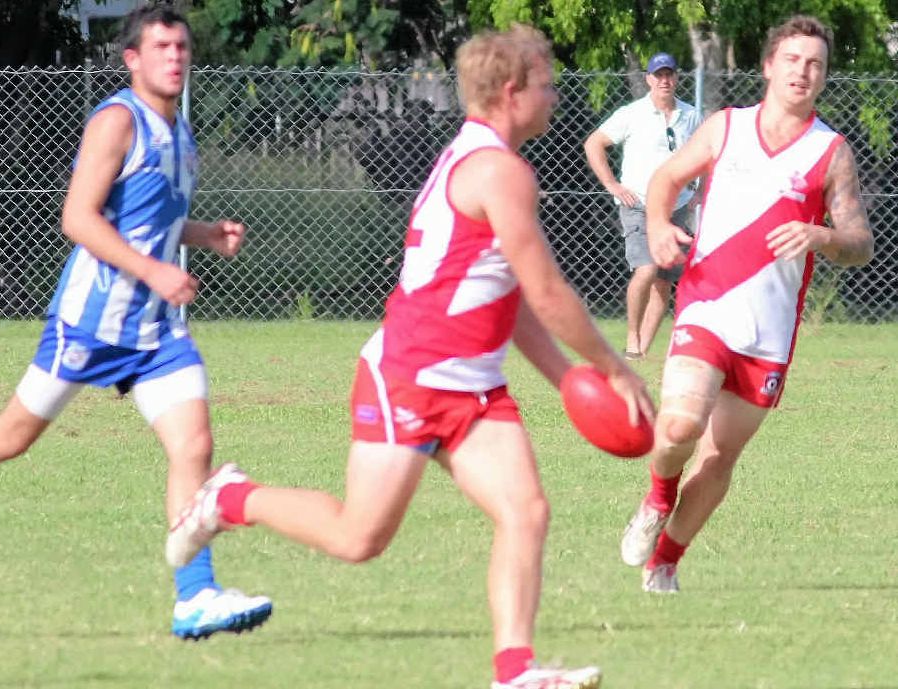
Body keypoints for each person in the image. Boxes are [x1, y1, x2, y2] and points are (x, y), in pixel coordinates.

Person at [167, 24, 653, 689]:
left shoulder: (484, 157)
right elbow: (547, 290)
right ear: (511, 92)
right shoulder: (498, 171)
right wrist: (615, 368)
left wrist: (568, 378)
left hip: (473, 388)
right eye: (546, 85)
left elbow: (509, 297)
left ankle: (515, 669)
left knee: (525, 512)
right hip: (410, 377)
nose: (555, 97)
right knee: (358, 538)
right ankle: (230, 497)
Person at [0, 6, 272, 639]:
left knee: (193, 447)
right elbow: (78, 218)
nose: (175, 56)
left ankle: (195, 597)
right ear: (133, 59)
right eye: (161, 47)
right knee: (9, 438)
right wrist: (154, 271)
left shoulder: (181, 131)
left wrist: (204, 234)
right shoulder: (117, 121)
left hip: (155, 332)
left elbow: (149, 218)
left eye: (181, 46)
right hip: (91, 322)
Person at [620, 15, 874, 593]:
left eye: (815, 64)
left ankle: (665, 561)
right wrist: (657, 225)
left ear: (824, 76)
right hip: (707, 305)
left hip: (768, 333)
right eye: (793, 60)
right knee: (680, 426)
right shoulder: (726, 127)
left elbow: (861, 244)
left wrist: (822, 235)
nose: (803, 71)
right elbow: (664, 179)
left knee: (718, 458)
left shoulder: (831, 152)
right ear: (768, 67)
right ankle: (657, 497)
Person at [584, 52, 702, 360]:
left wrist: (699, 191)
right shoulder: (632, 113)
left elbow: (706, 154)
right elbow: (594, 143)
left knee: (663, 280)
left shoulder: (690, 115)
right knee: (646, 268)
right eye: (658, 75)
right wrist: (612, 184)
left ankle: (641, 352)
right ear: (649, 79)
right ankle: (632, 336)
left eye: (669, 74)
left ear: (676, 78)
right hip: (638, 203)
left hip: (676, 206)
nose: (664, 80)